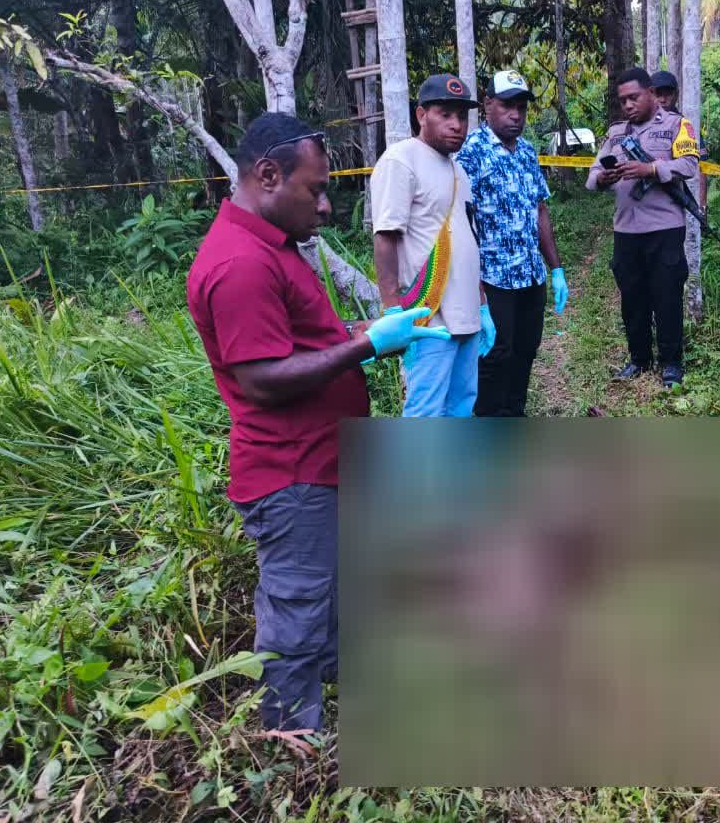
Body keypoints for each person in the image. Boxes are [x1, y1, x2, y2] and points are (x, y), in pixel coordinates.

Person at [187, 113, 449, 732]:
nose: (326, 206)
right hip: (291, 471)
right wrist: (365, 347)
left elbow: (297, 341)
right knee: (297, 605)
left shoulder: (271, 247)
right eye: (316, 190)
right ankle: (289, 735)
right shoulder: (241, 264)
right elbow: (261, 378)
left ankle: (335, 693)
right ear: (268, 175)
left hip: (321, 458)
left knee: (330, 587)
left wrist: (363, 331)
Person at [370, 74, 497, 417]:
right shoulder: (401, 160)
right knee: (426, 413)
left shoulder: (458, 171)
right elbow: (385, 236)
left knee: (462, 407)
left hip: (467, 314)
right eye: (445, 114)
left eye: (462, 116)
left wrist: (482, 305)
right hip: (428, 319)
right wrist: (393, 312)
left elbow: (467, 238)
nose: (457, 124)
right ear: (421, 114)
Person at [456, 69, 570, 417]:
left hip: (530, 276)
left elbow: (540, 210)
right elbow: (459, 223)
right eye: (507, 106)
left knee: (525, 351)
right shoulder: (469, 153)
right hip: (492, 280)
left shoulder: (527, 152)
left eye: (521, 107)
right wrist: (476, 292)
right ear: (487, 104)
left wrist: (556, 269)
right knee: (494, 358)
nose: (516, 115)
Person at [587, 66, 702, 388]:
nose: (628, 105)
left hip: (664, 227)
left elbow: (689, 164)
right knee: (632, 298)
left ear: (651, 94)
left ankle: (671, 363)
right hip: (626, 229)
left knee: (667, 296)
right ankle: (638, 359)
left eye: (634, 97)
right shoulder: (615, 133)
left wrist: (650, 169)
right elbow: (591, 177)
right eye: (623, 100)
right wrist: (604, 177)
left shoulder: (677, 125)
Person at [651, 69, 711, 207]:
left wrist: (702, 206)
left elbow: (701, 167)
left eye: (668, 94)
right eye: (658, 94)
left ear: (676, 95)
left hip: (674, 203)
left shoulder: (683, 125)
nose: (663, 100)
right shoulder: (640, 125)